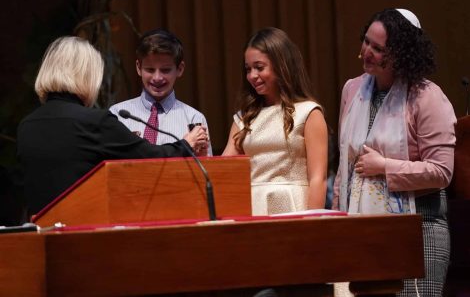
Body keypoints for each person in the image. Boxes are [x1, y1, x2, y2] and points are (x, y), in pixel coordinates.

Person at [333, 8, 456, 296]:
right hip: (363, 228)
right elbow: (345, 164)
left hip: (420, 228)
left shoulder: (426, 96)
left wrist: (385, 166)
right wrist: (338, 218)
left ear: (401, 54)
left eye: (378, 48)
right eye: (366, 42)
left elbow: (442, 172)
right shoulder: (352, 90)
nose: (367, 52)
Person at [17, 36, 208, 215]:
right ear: (88, 75)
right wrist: (186, 143)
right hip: (84, 230)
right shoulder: (95, 121)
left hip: (41, 234)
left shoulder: (26, 126)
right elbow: (148, 158)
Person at [223, 27, 328, 215]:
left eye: (259, 67)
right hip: (252, 206)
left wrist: (314, 224)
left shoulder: (308, 112)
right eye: (248, 69)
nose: (252, 76)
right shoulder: (244, 117)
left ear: (281, 66)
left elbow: (318, 178)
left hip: (293, 206)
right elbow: (224, 169)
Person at [110, 29, 212, 156]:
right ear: (138, 68)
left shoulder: (193, 118)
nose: (157, 77)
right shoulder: (117, 115)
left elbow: (206, 169)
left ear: (180, 69)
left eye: (165, 70)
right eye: (150, 69)